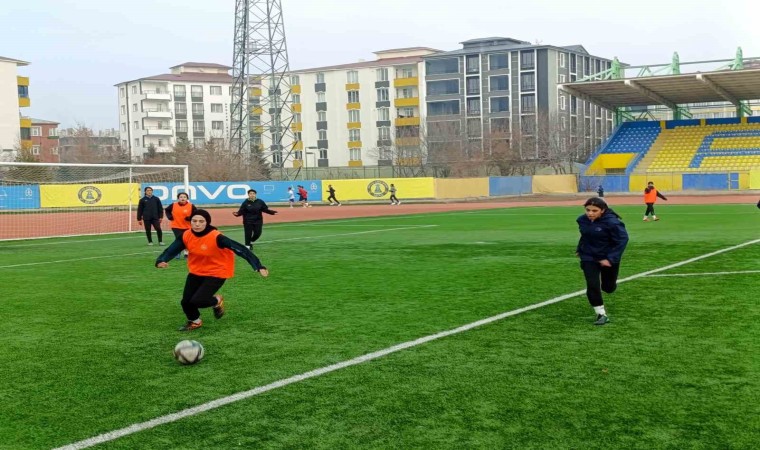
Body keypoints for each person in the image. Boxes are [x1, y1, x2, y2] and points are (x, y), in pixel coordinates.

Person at [155, 209, 269, 331]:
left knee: (199, 300)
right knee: (186, 302)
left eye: (201, 221)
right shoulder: (186, 235)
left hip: (217, 272)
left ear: (207, 222)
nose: (197, 224)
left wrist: (258, 266)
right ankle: (195, 321)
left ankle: (217, 300)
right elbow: (172, 249)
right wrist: (161, 260)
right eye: (194, 221)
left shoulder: (217, 237)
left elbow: (241, 249)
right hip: (197, 271)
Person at [576, 197, 629, 325]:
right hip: (588, 257)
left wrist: (610, 258)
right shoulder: (582, 220)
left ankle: (610, 285)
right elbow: (585, 236)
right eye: (588, 210)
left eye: (594, 210)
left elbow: (622, 240)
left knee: (608, 288)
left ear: (602, 210)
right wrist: (580, 248)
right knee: (592, 284)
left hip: (607, 258)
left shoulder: (612, 222)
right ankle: (601, 314)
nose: (590, 213)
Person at [165, 192, 196, 259]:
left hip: (187, 226)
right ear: (178, 198)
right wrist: (170, 216)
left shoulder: (191, 206)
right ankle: (177, 252)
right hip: (176, 226)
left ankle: (186, 253)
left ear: (187, 198)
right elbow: (167, 210)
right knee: (179, 239)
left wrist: (190, 218)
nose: (183, 198)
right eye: (181, 197)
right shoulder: (173, 205)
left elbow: (196, 214)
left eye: (184, 197)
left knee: (187, 240)